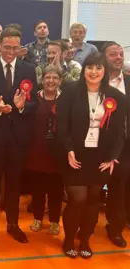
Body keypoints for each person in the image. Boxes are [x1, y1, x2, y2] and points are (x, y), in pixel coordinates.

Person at [57, 52, 126, 259]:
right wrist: (68, 149)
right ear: (84, 70)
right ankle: (69, 239)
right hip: (74, 154)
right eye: (89, 67)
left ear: (104, 71)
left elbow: (120, 132)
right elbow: (62, 125)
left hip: (101, 157)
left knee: (93, 201)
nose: (93, 72)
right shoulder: (69, 91)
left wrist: (113, 156)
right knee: (77, 199)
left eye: (98, 68)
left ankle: (85, 239)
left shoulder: (118, 97)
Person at [0, 27, 38, 244]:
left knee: (14, 184)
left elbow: (35, 104)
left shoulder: (28, 70)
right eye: (7, 47)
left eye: (15, 47)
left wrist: (22, 107)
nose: (11, 51)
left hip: (18, 139)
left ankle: (13, 224)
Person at [26, 66, 64, 235]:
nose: (51, 81)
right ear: (42, 79)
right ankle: (37, 218)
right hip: (37, 150)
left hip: (58, 152)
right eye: (48, 77)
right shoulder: (34, 98)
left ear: (60, 81)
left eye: (55, 78)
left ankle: (55, 220)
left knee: (56, 189)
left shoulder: (65, 100)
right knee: (38, 188)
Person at [103, 41, 130, 248]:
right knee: (92, 188)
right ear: (104, 58)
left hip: (125, 145)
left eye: (120, 54)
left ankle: (115, 227)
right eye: (113, 54)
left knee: (119, 186)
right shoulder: (94, 81)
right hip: (97, 144)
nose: (118, 58)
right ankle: (86, 224)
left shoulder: (128, 82)